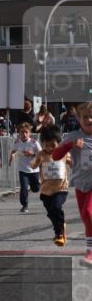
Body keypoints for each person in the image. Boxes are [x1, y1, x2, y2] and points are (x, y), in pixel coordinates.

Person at [51, 101, 92, 267]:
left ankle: (90, 253)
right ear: (79, 119)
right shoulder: (73, 136)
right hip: (81, 183)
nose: (89, 120)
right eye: (85, 117)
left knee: (88, 213)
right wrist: (70, 145)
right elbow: (55, 156)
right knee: (86, 217)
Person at [32, 127, 71, 247]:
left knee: (56, 207)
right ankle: (60, 226)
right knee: (51, 213)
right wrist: (34, 162)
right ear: (42, 143)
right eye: (46, 145)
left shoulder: (63, 153)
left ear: (58, 143)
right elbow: (33, 165)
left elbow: (72, 162)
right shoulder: (41, 154)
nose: (49, 148)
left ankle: (60, 234)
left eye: (52, 145)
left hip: (61, 189)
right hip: (46, 190)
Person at [8, 123, 40, 214]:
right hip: (23, 169)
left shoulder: (34, 143)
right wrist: (11, 158)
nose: (24, 134)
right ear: (19, 133)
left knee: (36, 189)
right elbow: (13, 150)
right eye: (22, 132)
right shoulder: (17, 142)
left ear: (29, 133)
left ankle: (35, 185)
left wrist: (32, 154)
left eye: (26, 132)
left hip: (34, 169)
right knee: (24, 188)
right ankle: (24, 205)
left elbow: (41, 154)